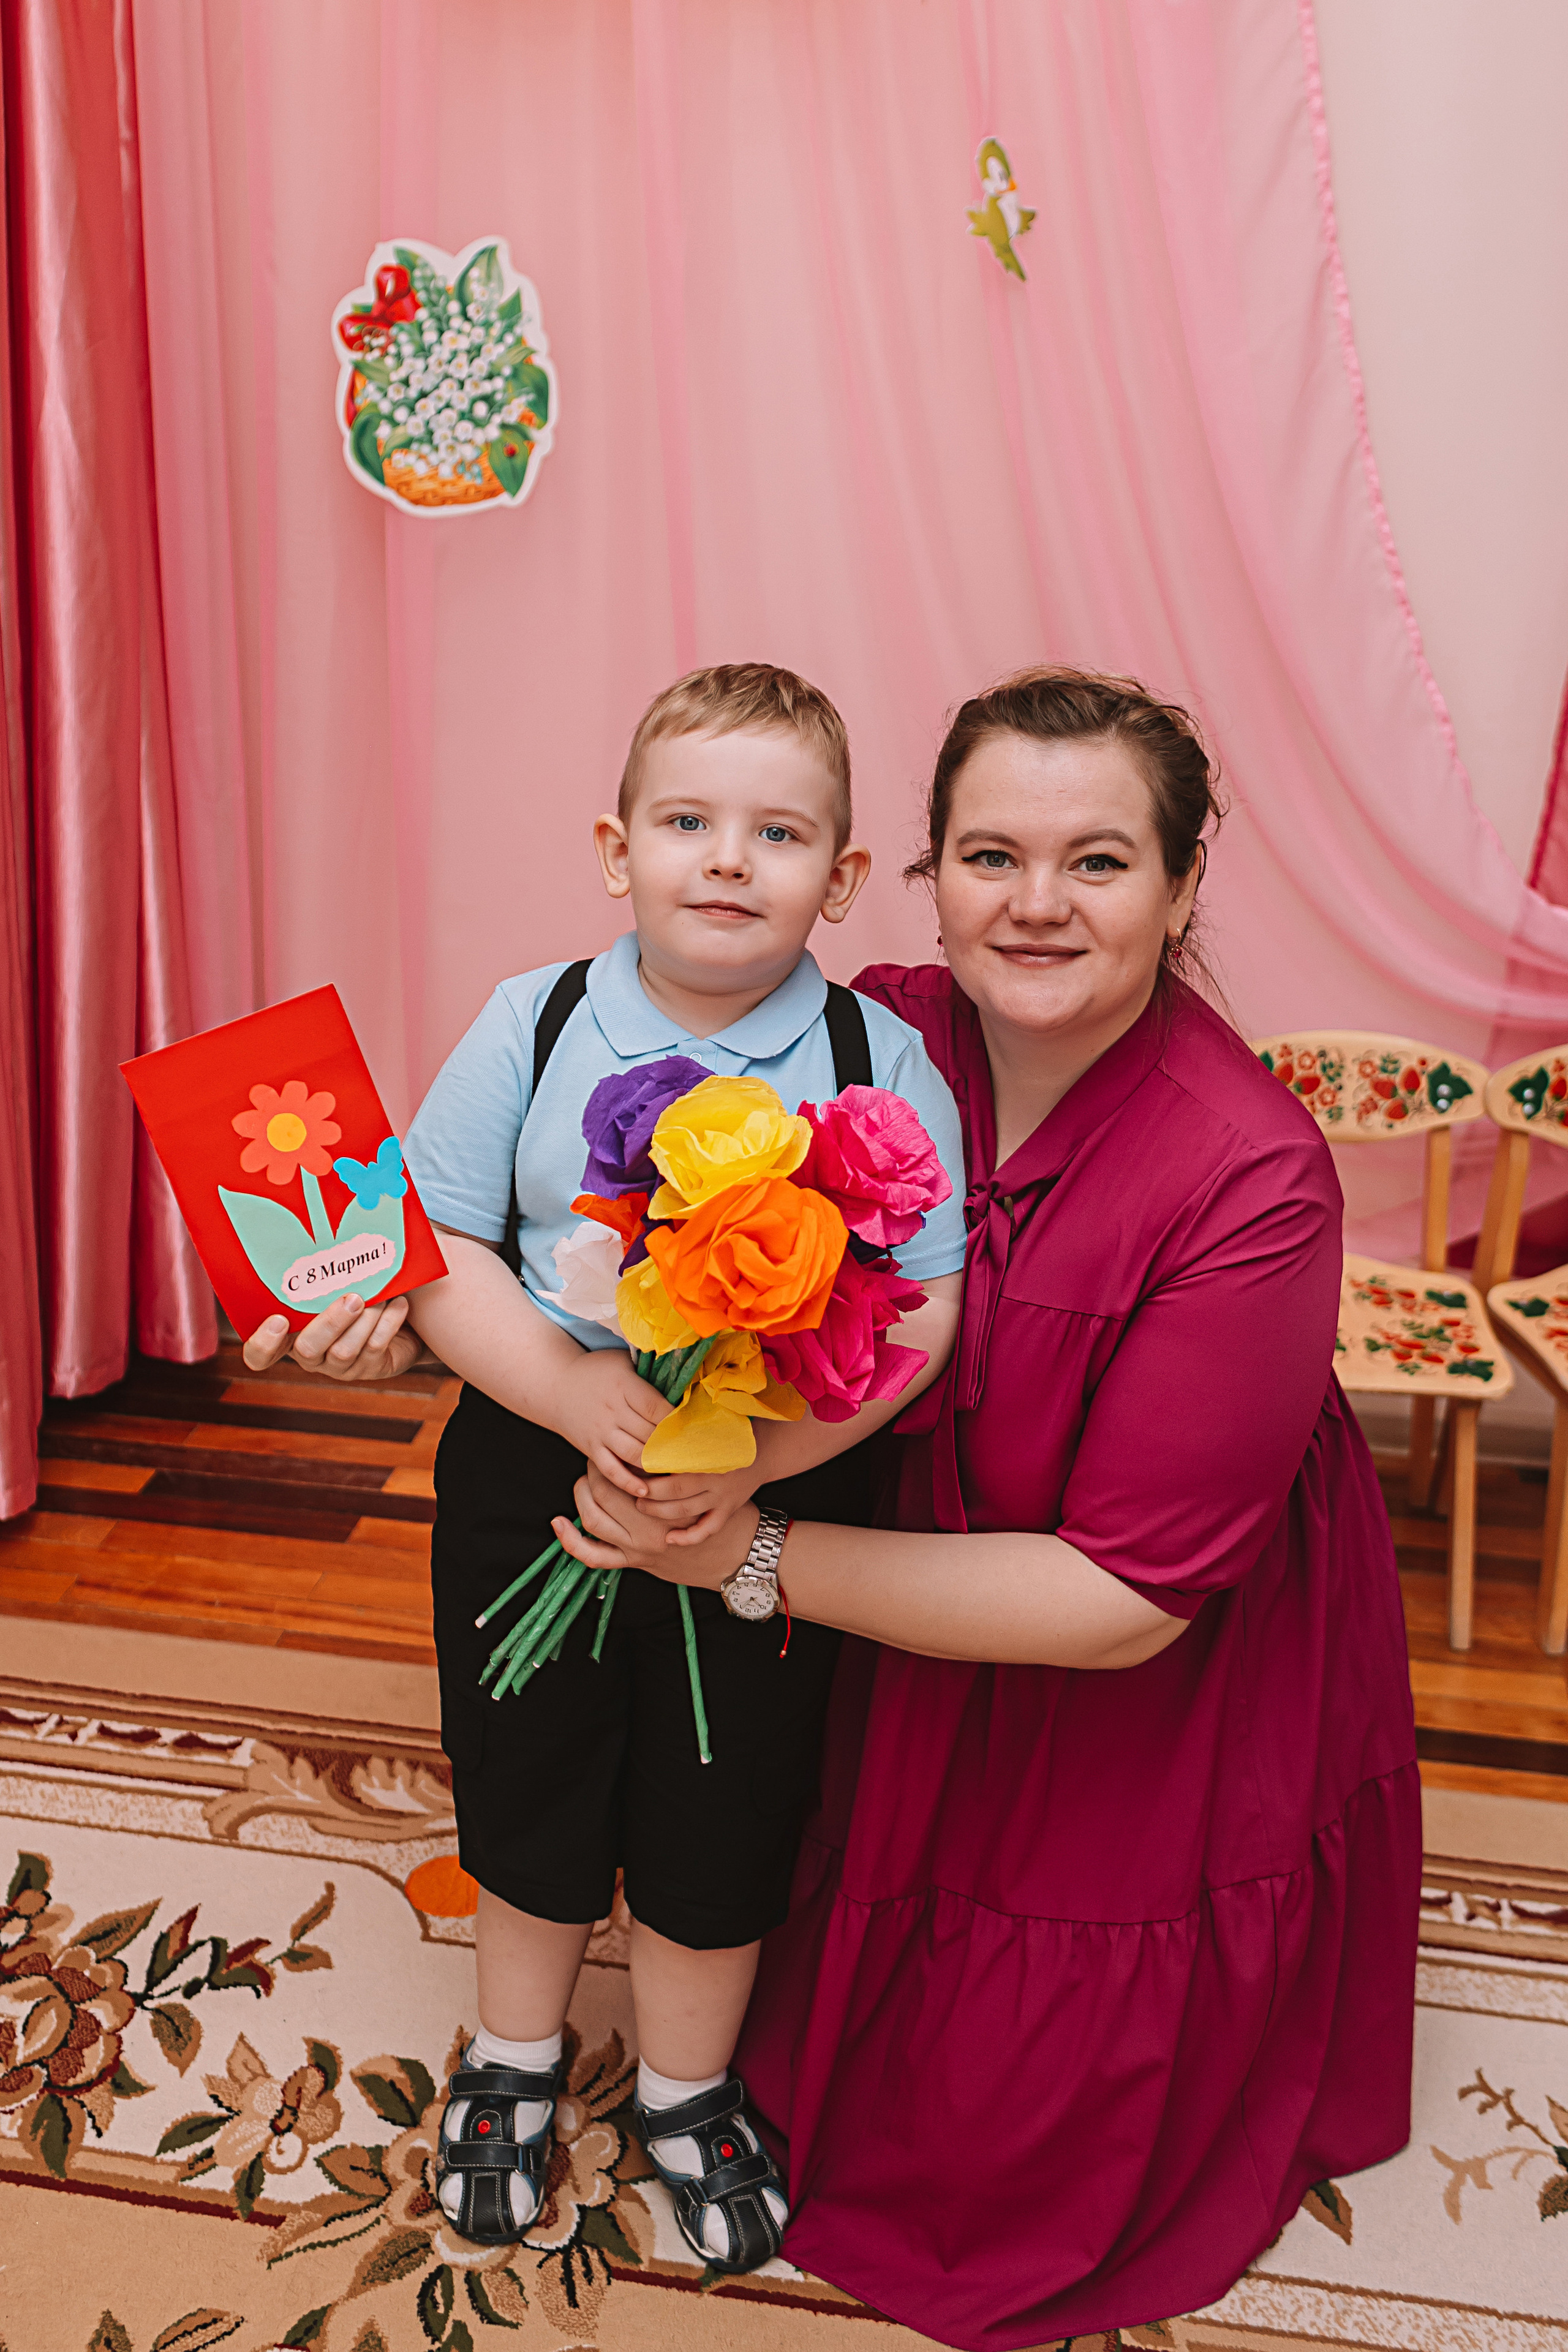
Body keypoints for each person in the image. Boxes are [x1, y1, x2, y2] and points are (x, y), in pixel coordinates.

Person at [554, 668, 1421, 2347]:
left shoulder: (1247, 1174)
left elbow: (1122, 1601)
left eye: (1097, 863)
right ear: (919, 872)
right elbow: (584, 1167)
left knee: (1009, 2138)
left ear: (1182, 887)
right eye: (990, 855)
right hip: (906, 1581)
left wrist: (752, 1555)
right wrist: (408, 1286)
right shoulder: (867, 1027)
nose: (1034, 905)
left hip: (1129, 1652)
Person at [244, 663, 965, 2272]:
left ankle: (688, 2085)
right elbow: (440, 1255)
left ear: (841, 879)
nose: (729, 859)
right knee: (533, 1771)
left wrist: (758, 1463)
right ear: (614, 846)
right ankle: (511, 2059)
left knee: (731, 1800)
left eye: (779, 832)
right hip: (535, 1468)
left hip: (762, 1495)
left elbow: (928, 1312)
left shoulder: (875, 1061)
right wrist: (580, 1399)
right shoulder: (538, 1017)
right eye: (689, 821)